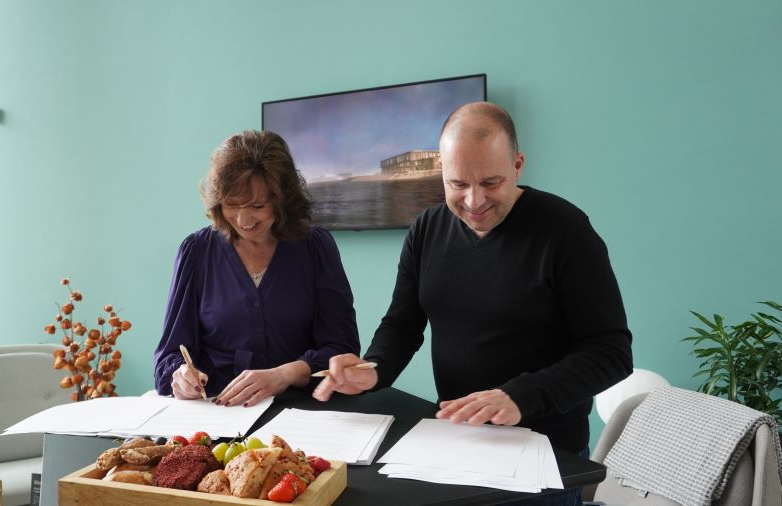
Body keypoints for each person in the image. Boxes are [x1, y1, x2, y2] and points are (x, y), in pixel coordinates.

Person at [313, 102, 633, 505]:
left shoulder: (566, 231)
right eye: (457, 184)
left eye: (491, 182)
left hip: (545, 453)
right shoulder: (426, 229)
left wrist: (520, 396)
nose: (474, 200)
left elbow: (611, 351)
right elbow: (402, 326)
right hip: (457, 442)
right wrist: (372, 368)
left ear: (518, 164)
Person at [154, 130, 360, 407]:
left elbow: (342, 351)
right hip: (218, 414)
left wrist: (284, 374)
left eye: (257, 205)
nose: (243, 219)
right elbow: (167, 360)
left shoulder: (315, 248)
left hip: (303, 411)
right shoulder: (196, 252)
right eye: (232, 205)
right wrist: (180, 375)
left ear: (282, 200)